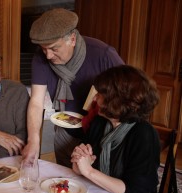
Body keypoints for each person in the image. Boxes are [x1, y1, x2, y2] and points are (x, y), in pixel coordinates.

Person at [22, 8, 124, 167]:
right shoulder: (40, 58)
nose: (48, 56)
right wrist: (33, 140)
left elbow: (129, 94)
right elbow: (36, 101)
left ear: (73, 39)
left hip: (101, 136)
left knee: (97, 186)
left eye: (54, 48)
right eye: (44, 49)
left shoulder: (103, 55)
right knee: (66, 186)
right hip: (65, 133)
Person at [71, 65, 160, 193]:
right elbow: (82, 164)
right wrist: (78, 162)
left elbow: (137, 192)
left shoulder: (143, 134)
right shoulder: (99, 123)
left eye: (100, 95)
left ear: (117, 101)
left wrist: (89, 172)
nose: (95, 99)